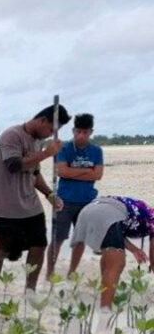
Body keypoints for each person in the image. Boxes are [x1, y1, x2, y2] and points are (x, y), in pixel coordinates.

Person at [0, 104, 70, 295]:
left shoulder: (37, 143)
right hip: (5, 207)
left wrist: (49, 194)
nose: (50, 135)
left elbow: (34, 173)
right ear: (42, 121)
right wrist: (46, 153)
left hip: (31, 206)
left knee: (39, 245)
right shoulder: (12, 135)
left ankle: (29, 290)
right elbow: (14, 165)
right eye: (50, 129)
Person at [68, 196, 154, 309]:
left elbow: (116, 231)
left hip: (89, 210)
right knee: (117, 264)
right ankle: (105, 309)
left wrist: (134, 250)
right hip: (107, 213)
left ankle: (105, 294)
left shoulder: (146, 213)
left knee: (110, 255)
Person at [47, 113, 103, 279]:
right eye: (78, 132)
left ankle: (72, 272)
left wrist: (74, 172)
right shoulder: (64, 148)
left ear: (90, 132)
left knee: (80, 239)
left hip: (86, 201)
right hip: (64, 200)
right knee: (58, 238)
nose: (81, 135)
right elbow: (62, 171)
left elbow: (98, 175)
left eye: (85, 132)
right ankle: (49, 273)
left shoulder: (96, 151)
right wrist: (87, 170)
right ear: (73, 130)